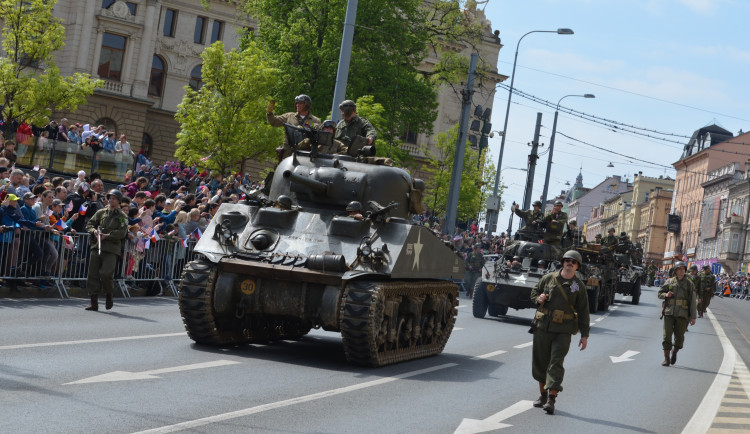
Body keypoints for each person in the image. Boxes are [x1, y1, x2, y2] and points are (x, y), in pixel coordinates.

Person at [529, 249, 590, 415]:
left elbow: (584, 311)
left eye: (573, 261)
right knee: (541, 363)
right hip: (543, 327)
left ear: (577, 266)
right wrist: (538, 298)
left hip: (564, 330)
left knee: (556, 363)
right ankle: (542, 395)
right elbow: (534, 292)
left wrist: (585, 335)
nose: (569, 263)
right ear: (563, 262)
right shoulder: (549, 278)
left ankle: (551, 400)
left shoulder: (578, 286)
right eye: (567, 260)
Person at [83, 189, 128, 311]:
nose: (111, 200)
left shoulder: (122, 216)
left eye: (114, 198)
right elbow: (89, 224)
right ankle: (94, 302)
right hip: (96, 246)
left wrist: (107, 236)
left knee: (106, 274)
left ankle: (109, 294)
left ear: (119, 201)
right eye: (110, 198)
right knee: (92, 274)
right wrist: (94, 231)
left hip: (111, 248)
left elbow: (122, 232)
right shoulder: (101, 212)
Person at [657, 261, 696, 366]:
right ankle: (666, 359)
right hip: (669, 312)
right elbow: (659, 294)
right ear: (675, 270)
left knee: (679, 339)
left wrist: (693, 317)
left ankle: (674, 352)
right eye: (679, 269)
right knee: (666, 336)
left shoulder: (689, 284)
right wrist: (666, 294)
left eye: (683, 269)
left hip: (682, 314)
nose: (681, 270)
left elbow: (693, 301)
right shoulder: (669, 282)